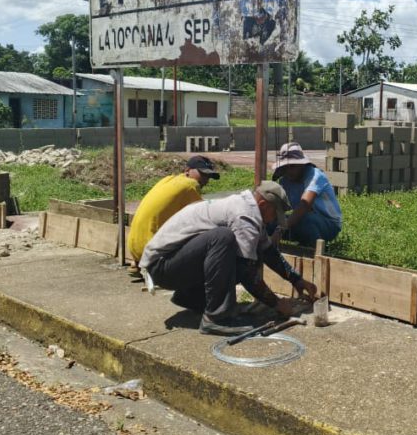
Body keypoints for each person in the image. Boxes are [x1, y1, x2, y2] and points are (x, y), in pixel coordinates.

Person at [139, 181, 317, 336]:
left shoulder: (250, 211)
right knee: (224, 239)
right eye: (274, 214)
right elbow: (247, 273)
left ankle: (191, 297)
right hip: (162, 266)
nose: (272, 221)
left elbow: (269, 251)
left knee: (240, 253)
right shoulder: (244, 215)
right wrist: (277, 303)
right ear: (263, 204)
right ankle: (216, 318)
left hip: (174, 263)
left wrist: (297, 280)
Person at [127, 156, 220, 266]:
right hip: (151, 252)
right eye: (203, 174)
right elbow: (202, 217)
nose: (206, 180)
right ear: (187, 170)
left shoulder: (167, 180)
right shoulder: (190, 185)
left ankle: (138, 264)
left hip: (134, 247)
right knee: (210, 235)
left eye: (208, 176)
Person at [271, 142, 342, 246]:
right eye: (286, 167)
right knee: (269, 221)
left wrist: (281, 229)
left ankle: (311, 250)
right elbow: (280, 206)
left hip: (328, 224)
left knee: (305, 220)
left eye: (293, 166)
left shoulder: (315, 176)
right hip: (302, 219)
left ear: (301, 165)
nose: (289, 171)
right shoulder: (285, 181)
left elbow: (305, 205)